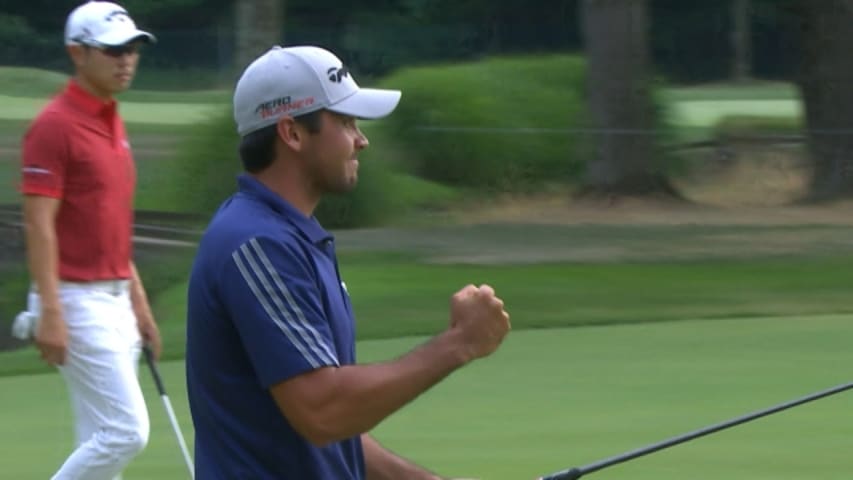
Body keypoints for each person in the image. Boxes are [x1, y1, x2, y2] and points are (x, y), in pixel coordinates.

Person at [185, 45, 512, 479]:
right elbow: (325, 411)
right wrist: (460, 343)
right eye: (344, 122)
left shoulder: (290, 237)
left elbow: (336, 433)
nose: (361, 139)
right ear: (293, 133)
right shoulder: (257, 244)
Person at [18, 1, 161, 478]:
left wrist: (139, 303)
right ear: (77, 53)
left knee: (99, 440)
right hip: (75, 300)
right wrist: (51, 312)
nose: (127, 60)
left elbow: (112, 224)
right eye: (114, 50)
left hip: (116, 299)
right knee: (126, 431)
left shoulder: (111, 119)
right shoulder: (54, 126)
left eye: (133, 49)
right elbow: (38, 224)